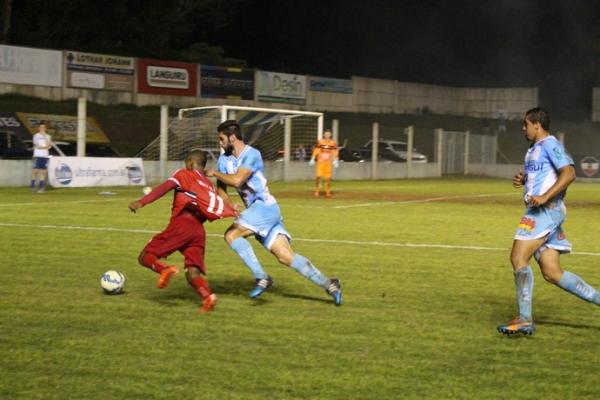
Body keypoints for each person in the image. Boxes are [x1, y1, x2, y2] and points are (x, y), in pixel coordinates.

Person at [205, 120, 342, 305]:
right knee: (285, 256)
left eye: (221, 139)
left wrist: (214, 173)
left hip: (265, 207)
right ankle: (330, 284)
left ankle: (261, 277)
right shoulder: (223, 161)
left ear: (232, 137)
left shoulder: (252, 154)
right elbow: (222, 190)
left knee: (231, 235)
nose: (219, 143)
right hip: (258, 212)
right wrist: (230, 208)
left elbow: (237, 181)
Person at [497, 107, 600, 336]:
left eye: (525, 124)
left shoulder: (551, 144)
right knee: (552, 273)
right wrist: (524, 179)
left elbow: (569, 173)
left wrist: (544, 197)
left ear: (537, 124)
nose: (523, 128)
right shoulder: (534, 149)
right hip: (545, 211)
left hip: (544, 211)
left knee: (518, 257)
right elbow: (543, 175)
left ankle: (524, 320)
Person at [128, 150, 237, 313]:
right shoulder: (207, 185)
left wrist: (141, 202)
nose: (185, 165)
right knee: (192, 273)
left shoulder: (185, 173)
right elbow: (212, 206)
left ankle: (164, 270)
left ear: (191, 163)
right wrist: (231, 209)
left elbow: (164, 188)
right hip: (198, 231)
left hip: (182, 224)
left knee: (145, 257)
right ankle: (208, 297)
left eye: (186, 162)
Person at [309, 128, 339, 198]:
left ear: (330, 135)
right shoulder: (320, 142)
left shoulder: (333, 143)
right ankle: (317, 190)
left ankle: (327, 192)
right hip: (320, 162)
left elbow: (335, 151)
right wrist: (313, 158)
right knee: (318, 176)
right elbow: (317, 149)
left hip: (328, 163)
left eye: (328, 134)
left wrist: (335, 160)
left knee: (328, 178)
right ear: (324, 135)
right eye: (326, 134)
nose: (327, 135)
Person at [31, 122, 52, 193]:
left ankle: (41, 188)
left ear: (46, 128)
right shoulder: (36, 136)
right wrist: (44, 147)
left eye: (44, 127)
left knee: (43, 172)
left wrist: (45, 138)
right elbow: (36, 146)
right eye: (41, 127)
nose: (42, 128)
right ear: (39, 128)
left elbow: (49, 146)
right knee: (35, 171)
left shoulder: (48, 136)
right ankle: (32, 186)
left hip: (45, 156)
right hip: (37, 155)